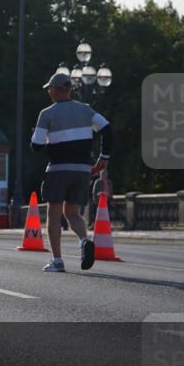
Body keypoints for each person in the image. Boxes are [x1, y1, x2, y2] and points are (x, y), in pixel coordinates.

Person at [31, 72, 112, 272]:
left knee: (54, 214)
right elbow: (108, 130)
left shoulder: (47, 114)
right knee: (73, 214)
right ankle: (85, 240)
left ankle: (57, 260)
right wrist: (104, 157)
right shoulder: (86, 110)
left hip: (58, 170)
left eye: (50, 88)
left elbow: (37, 146)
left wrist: (38, 134)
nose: (49, 92)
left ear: (56, 90)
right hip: (82, 170)